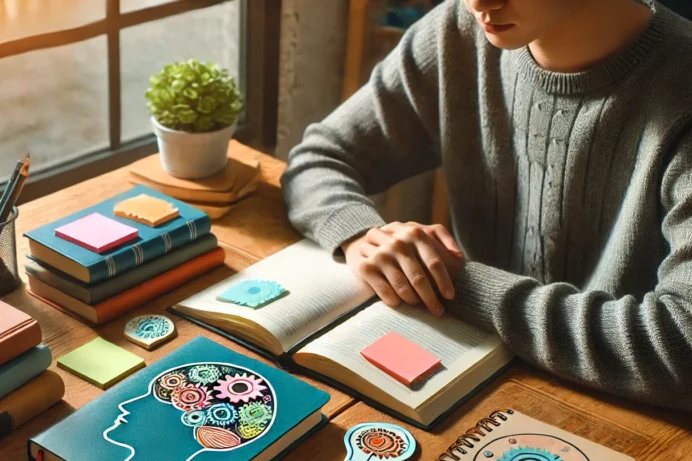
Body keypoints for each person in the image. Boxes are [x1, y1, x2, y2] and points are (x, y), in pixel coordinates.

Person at [281, 0, 692, 413]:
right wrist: (363, 237)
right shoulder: (458, 30)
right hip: (473, 376)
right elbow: (320, 158)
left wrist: (455, 282)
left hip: (627, 415)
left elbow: (681, 349)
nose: (478, 3)